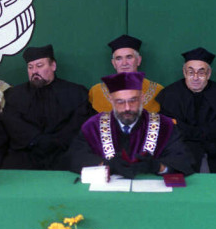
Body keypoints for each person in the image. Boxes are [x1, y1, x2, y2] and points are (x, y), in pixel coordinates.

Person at [65, 72, 195, 178]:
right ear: (111, 100)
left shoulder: (165, 126)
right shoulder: (93, 126)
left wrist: (157, 166)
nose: (127, 108)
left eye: (133, 101)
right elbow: (75, 158)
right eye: (120, 102)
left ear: (142, 98)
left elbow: (184, 161)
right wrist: (106, 164)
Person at [0, 44, 93, 170]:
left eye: (39, 66)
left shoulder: (76, 92)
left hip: (63, 151)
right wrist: (36, 139)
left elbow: (78, 122)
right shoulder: (14, 95)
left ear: (53, 66)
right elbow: (12, 122)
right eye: (30, 67)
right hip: (27, 152)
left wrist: (55, 141)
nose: (34, 71)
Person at [156, 47, 216, 173]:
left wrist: (191, 131)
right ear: (184, 73)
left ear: (209, 74)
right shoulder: (169, 95)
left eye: (201, 73)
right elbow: (170, 128)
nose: (195, 77)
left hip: (214, 151)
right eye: (191, 72)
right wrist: (202, 133)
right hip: (181, 152)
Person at [88, 34, 163, 113]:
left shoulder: (157, 91)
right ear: (114, 63)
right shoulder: (96, 92)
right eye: (118, 58)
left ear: (138, 60)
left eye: (129, 57)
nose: (124, 63)